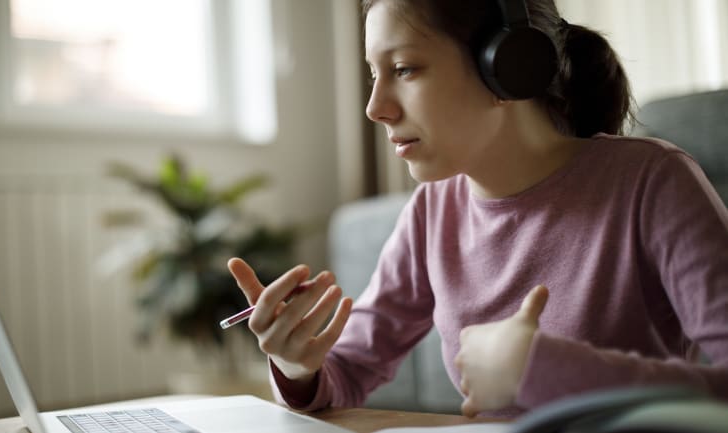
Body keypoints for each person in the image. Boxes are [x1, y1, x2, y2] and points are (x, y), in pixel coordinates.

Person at [227, 0, 728, 419]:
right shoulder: (432, 211)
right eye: (373, 75)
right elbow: (350, 369)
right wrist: (298, 365)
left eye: (403, 69)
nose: (375, 107)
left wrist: (549, 372)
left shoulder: (652, 181)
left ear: (510, 66)